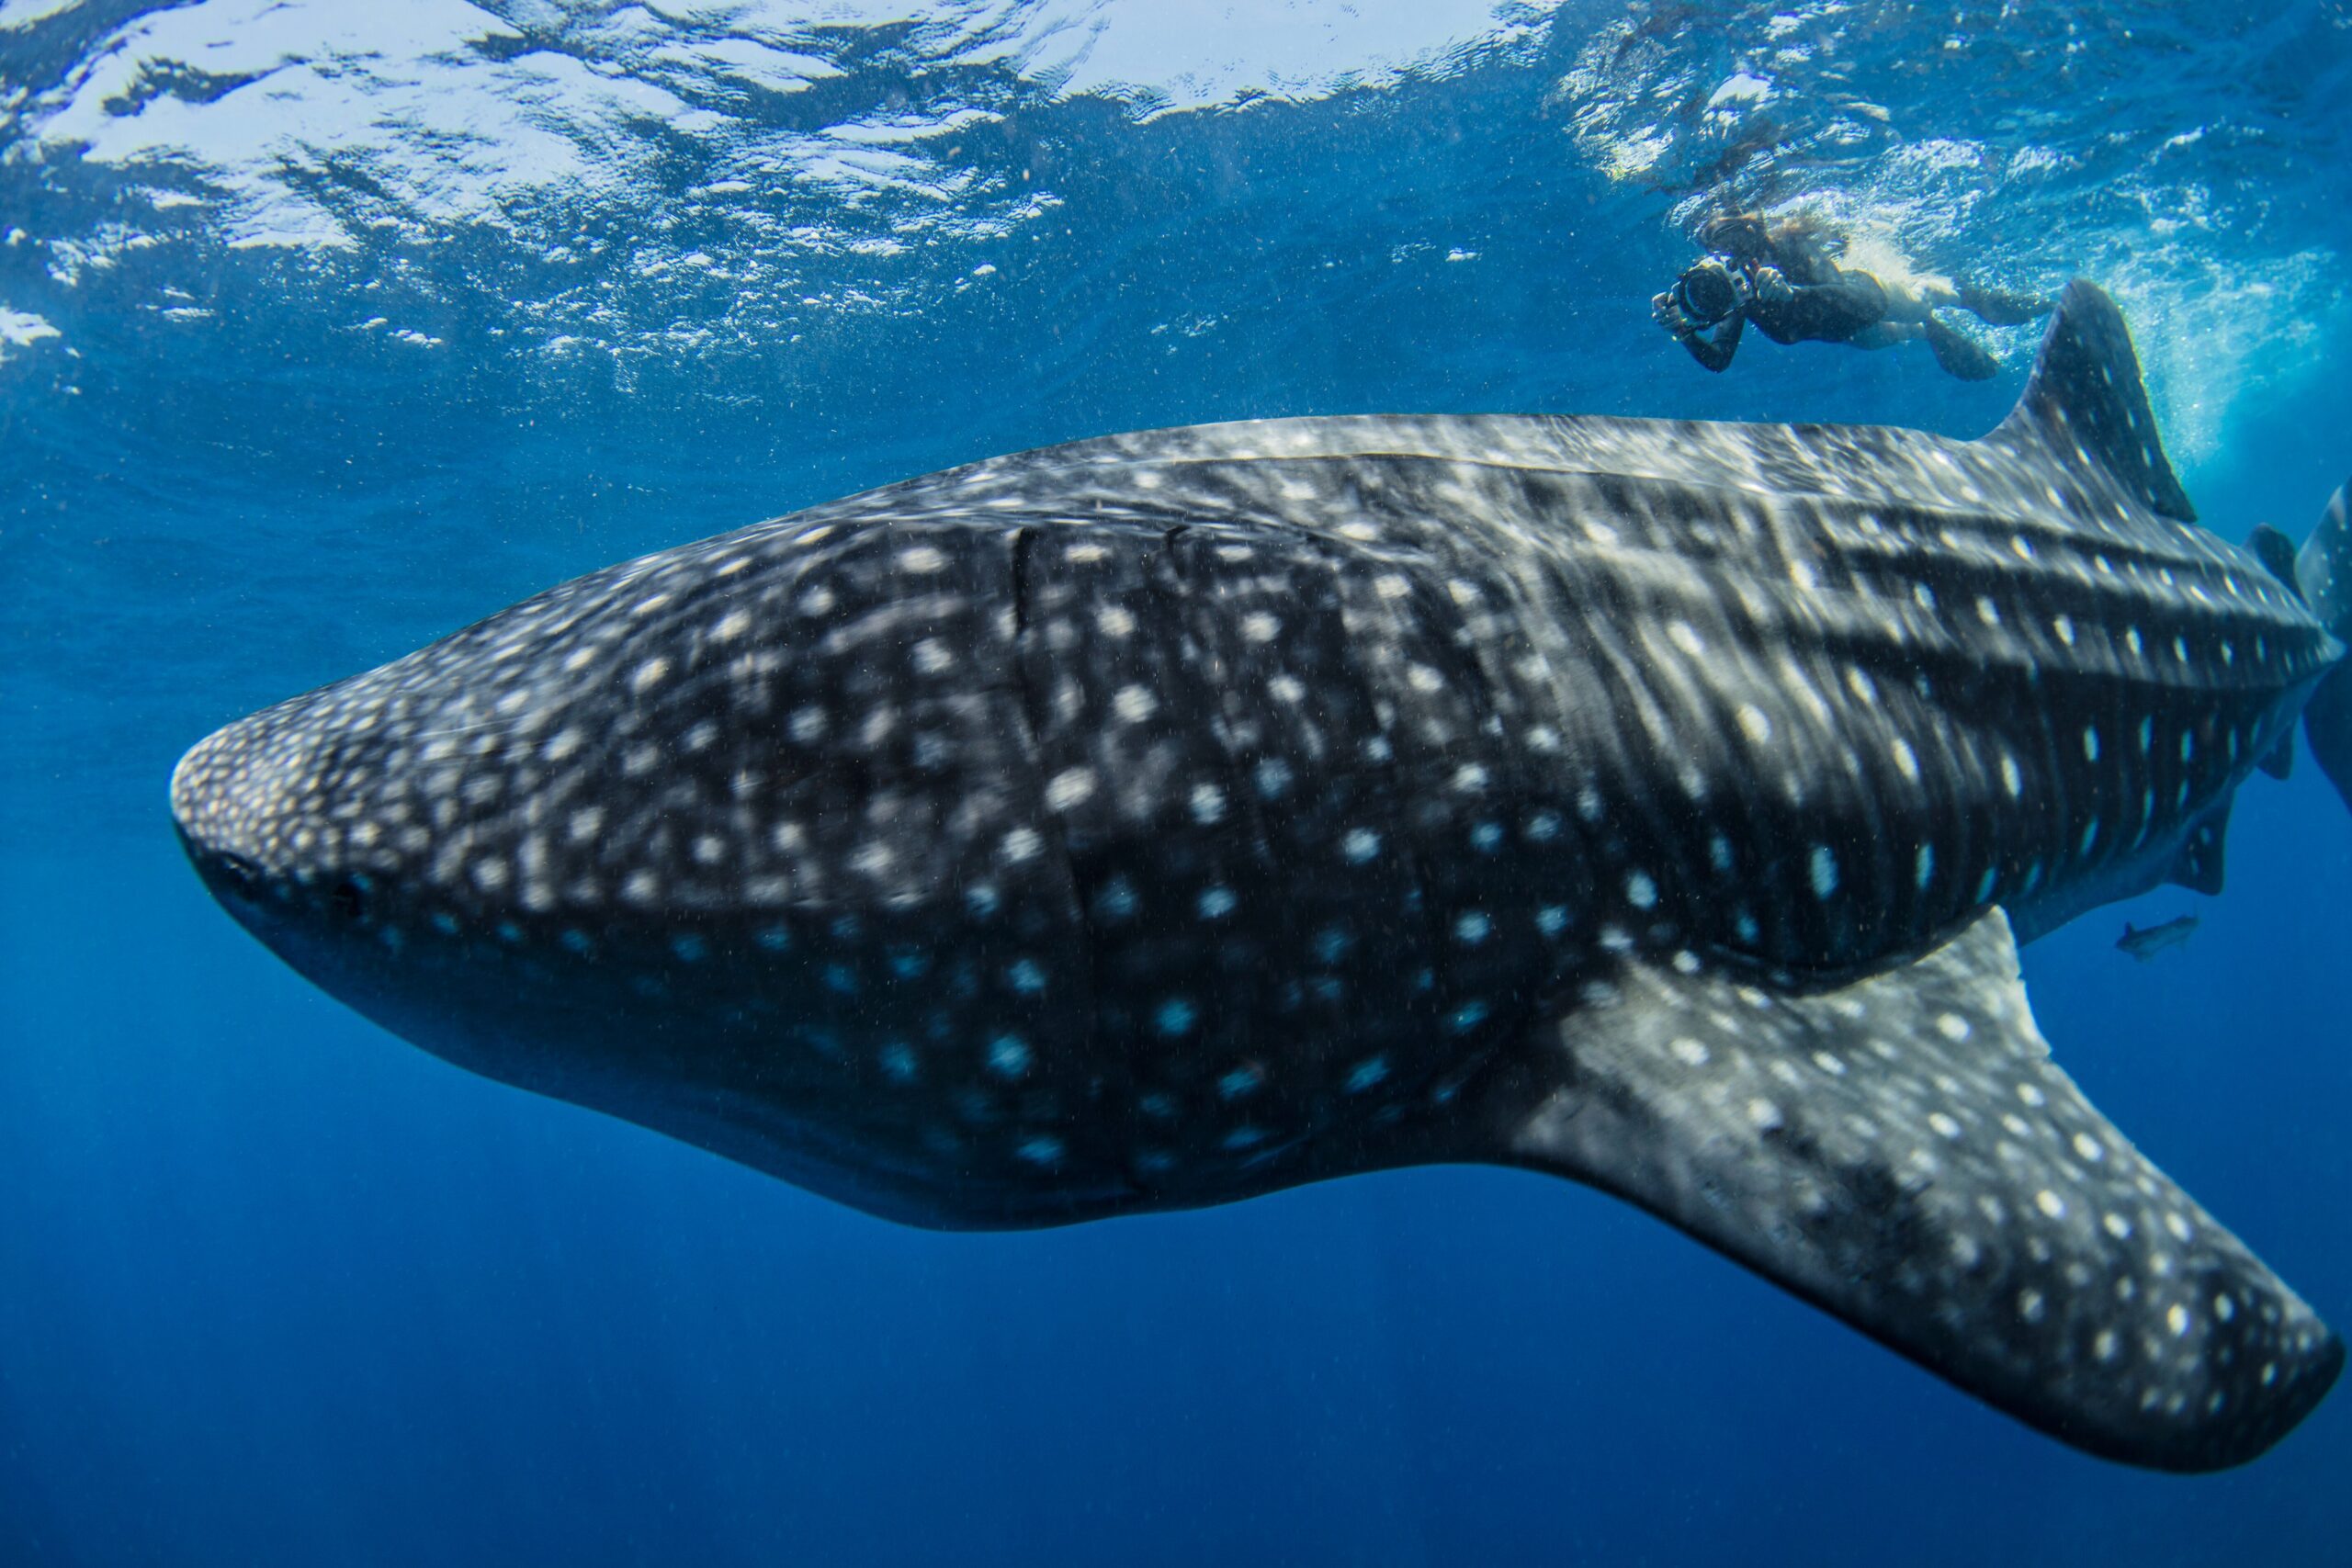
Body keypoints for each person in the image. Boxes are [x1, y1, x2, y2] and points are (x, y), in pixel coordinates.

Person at [1651, 213, 2050, 380]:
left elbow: (1858, 299)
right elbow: (1719, 360)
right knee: (1905, 332)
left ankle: (1967, 297)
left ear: (1755, 235)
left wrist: (1794, 293)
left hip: (1863, 297)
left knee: (1920, 298)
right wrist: (1685, 331)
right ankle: (1930, 331)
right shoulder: (1737, 294)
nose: (1736, 259)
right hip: (1845, 332)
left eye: (1740, 244)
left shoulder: (1790, 248)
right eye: (1723, 253)